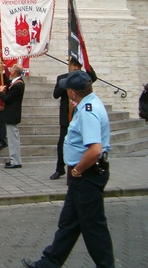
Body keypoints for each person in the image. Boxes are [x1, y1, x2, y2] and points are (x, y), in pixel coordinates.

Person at [21, 70, 114, 268]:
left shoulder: (88, 111)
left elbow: (95, 149)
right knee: (69, 223)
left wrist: (78, 170)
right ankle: (49, 263)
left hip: (87, 174)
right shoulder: (89, 103)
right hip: (84, 175)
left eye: (68, 90)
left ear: (73, 93)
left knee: (94, 228)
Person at [50, 57, 98, 180]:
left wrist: (86, 60)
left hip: (79, 116)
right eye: (74, 65)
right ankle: (59, 169)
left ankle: (81, 167)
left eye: (78, 66)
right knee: (62, 143)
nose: (76, 68)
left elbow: (93, 77)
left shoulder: (83, 79)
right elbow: (55, 94)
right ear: (69, 65)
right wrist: (68, 83)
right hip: (66, 117)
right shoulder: (62, 78)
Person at [0, 64, 25, 169]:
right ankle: (14, 159)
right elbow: (7, 81)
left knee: (13, 138)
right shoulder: (14, 82)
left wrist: (1, 92)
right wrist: (2, 69)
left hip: (12, 114)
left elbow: (6, 98)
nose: (10, 71)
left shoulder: (18, 85)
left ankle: (16, 161)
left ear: (14, 72)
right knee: (12, 138)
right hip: (10, 113)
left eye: (11, 70)